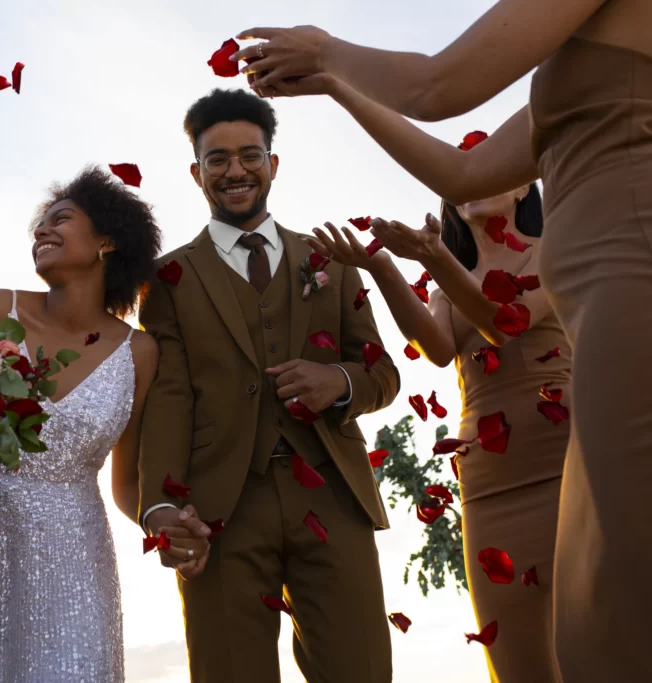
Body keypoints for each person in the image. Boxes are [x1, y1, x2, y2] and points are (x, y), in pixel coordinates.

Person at [231, 5, 652, 678]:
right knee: (589, 633)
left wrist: (328, 50)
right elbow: (456, 175)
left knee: (619, 613)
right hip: (592, 322)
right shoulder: (565, 84)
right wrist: (339, 86)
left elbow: (437, 87)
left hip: (630, 289)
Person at [138, 88, 399, 683]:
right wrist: (160, 505)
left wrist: (336, 379)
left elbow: (383, 374)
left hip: (332, 494)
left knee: (361, 670)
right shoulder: (168, 279)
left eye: (250, 155)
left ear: (273, 164)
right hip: (219, 506)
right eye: (218, 159)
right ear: (196, 173)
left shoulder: (331, 261)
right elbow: (169, 396)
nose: (236, 170)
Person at [305, 175, 568, 682]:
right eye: (458, 175)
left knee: (592, 640)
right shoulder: (454, 273)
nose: (471, 180)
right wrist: (381, 265)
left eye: (489, 168)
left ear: (521, 191)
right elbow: (438, 348)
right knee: (515, 659)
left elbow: (504, 321)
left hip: (568, 460)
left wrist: (433, 258)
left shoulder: (552, 245)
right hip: (490, 481)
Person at [0, 166, 161, 683]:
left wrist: (163, 522)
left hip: (77, 558)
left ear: (107, 241)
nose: (42, 231)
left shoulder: (139, 351)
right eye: (38, 226)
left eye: (61, 220)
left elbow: (127, 484)